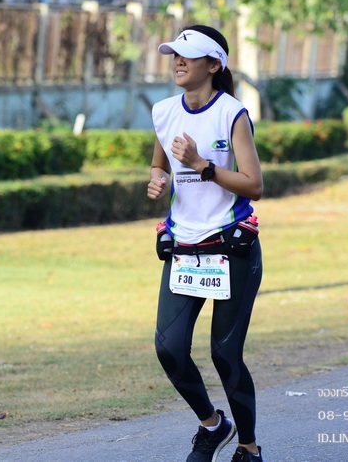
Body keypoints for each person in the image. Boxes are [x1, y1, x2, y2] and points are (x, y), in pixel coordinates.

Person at [147, 25, 264, 462]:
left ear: (214, 65)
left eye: (188, 55)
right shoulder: (163, 111)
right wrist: (158, 180)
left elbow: (254, 185)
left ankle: (249, 449)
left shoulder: (232, 113)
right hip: (184, 249)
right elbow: (159, 164)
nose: (178, 61)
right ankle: (213, 426)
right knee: (169, 348)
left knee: (225, 353)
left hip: (231, 247)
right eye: (174, 54)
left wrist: (202, 164)